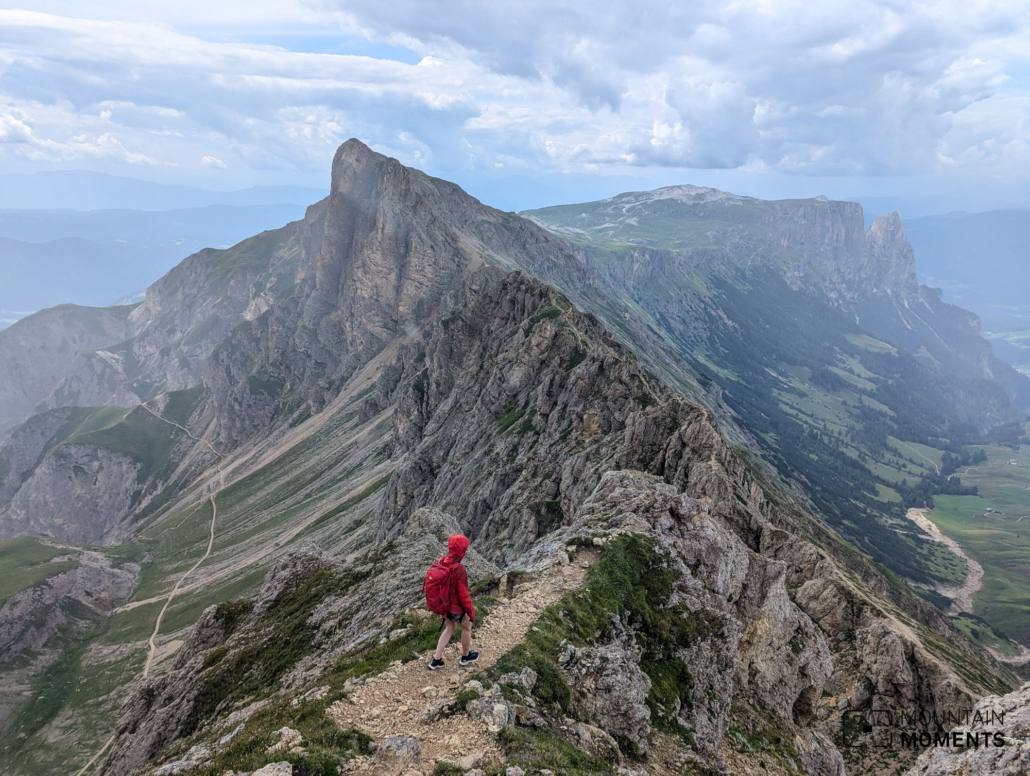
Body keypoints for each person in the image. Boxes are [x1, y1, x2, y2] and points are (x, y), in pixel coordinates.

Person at [428, 534, 478, 670]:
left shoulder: (442, 562)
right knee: (467, 627)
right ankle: (466, 657)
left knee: (449, 628)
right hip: (456, 609)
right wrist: (470, 612)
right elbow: (464, 595)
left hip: (445, 605)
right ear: (462, 550)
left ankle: (436, 660)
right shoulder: (459, 569)